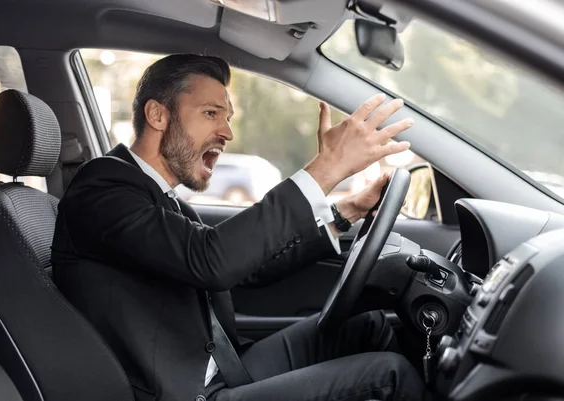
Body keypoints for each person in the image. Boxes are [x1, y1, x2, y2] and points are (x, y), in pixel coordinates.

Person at [51, 54, 426, 401]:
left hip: (220, 365)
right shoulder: (102, 189)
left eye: (227, 117)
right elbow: (212, 260)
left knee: (367, 327)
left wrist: (346, 211)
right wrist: (326, 169)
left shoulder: (158, 195)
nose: (227, 132)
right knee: (390, 374)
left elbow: (245, 267)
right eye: (212, 113)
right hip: (185, 391)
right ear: (158, 115)